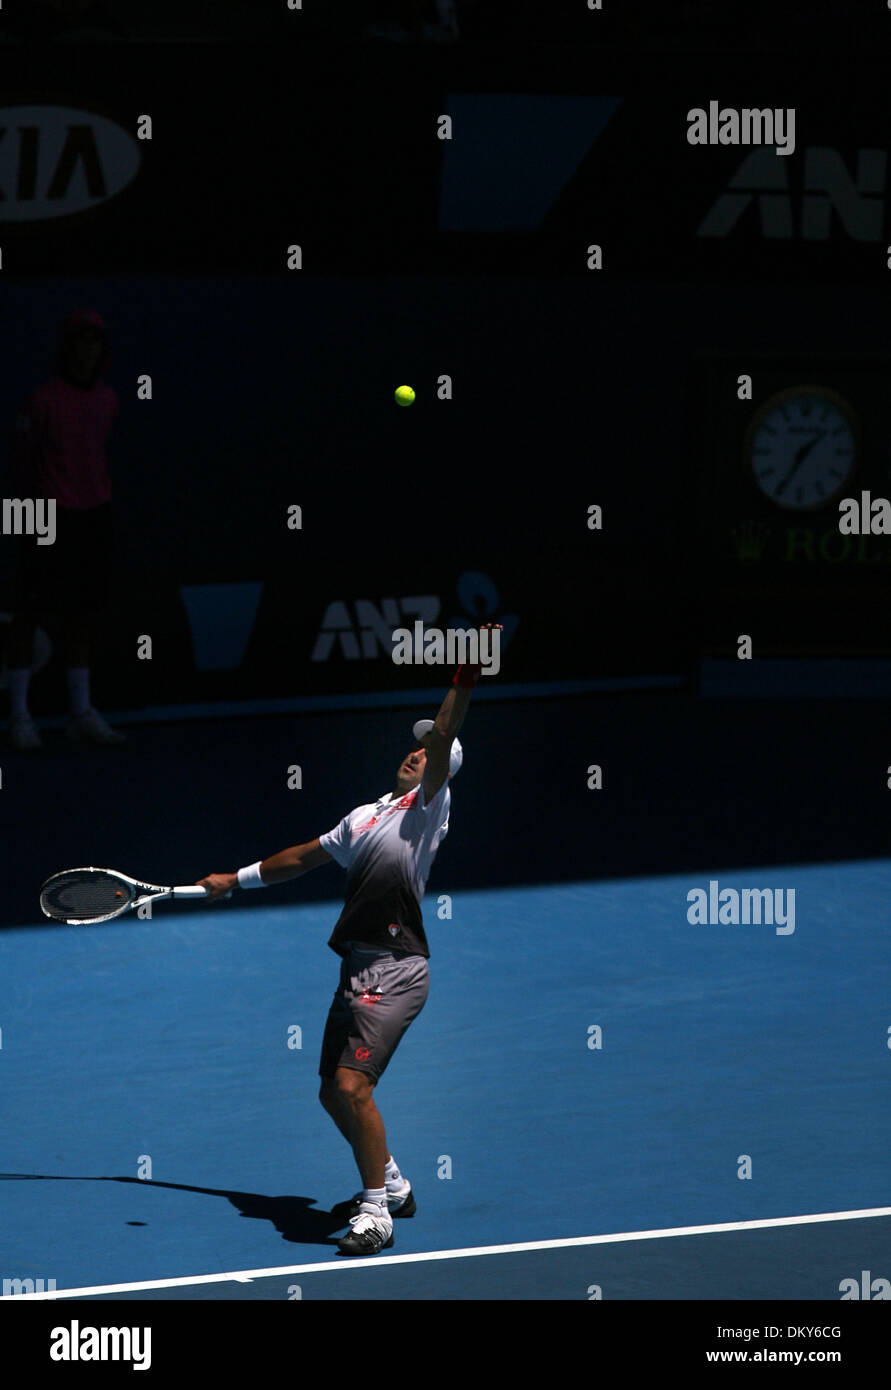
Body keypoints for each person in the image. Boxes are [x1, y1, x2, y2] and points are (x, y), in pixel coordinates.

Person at [199, 638, 498, 1255]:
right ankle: (392, 1182)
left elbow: (443, 733)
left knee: (353, 1087)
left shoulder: (428, 810)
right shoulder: (365, 817)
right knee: (331, 1092)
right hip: (356, 969)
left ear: (443, 768)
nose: (417, 750)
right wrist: (236, 878)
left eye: (430, 748)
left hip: (398, 970)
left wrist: (464, 680)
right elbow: (304, 858)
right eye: (413, 744)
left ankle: (375, 1215)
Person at [7, 309, 125, 749]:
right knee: (28, 616)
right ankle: (19, 718)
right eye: (80, 339)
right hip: (42, 515)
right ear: (67, 347)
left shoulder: (109, 399)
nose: (87, 348)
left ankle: (80, 714)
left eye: (95, 340)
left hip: (93, 517)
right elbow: (20, 464)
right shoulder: (41, 400)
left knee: (82, 617)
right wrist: (23, 518)